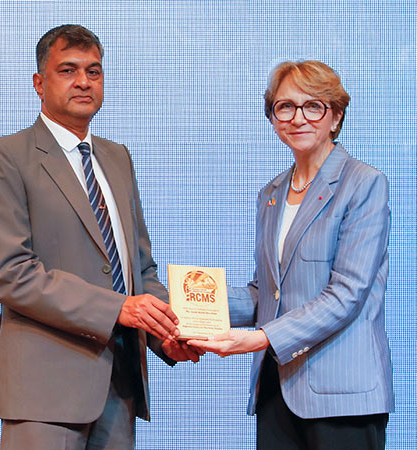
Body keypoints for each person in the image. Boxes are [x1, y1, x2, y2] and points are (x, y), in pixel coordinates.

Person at [0, 24, 200, 449]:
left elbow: (139, 268)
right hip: (44, 391)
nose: (83, 82)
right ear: (39, 83)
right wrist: (120, 308)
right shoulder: (3, 156)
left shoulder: (117, 157)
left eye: (94, 72)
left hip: (120, 384)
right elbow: (11, 274)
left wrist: (169, 333)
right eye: (68, 70)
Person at [188, 60, 393, 450]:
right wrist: (184, 305)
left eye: (313, 106)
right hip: (277, 392)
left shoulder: (364, 184)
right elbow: (267, 291)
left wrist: (260, 338)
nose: (298, 118)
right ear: (273, 118)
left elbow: (346, 296)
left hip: (343, 397)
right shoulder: (272, 193)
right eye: (285, 107)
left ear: (335, 116)